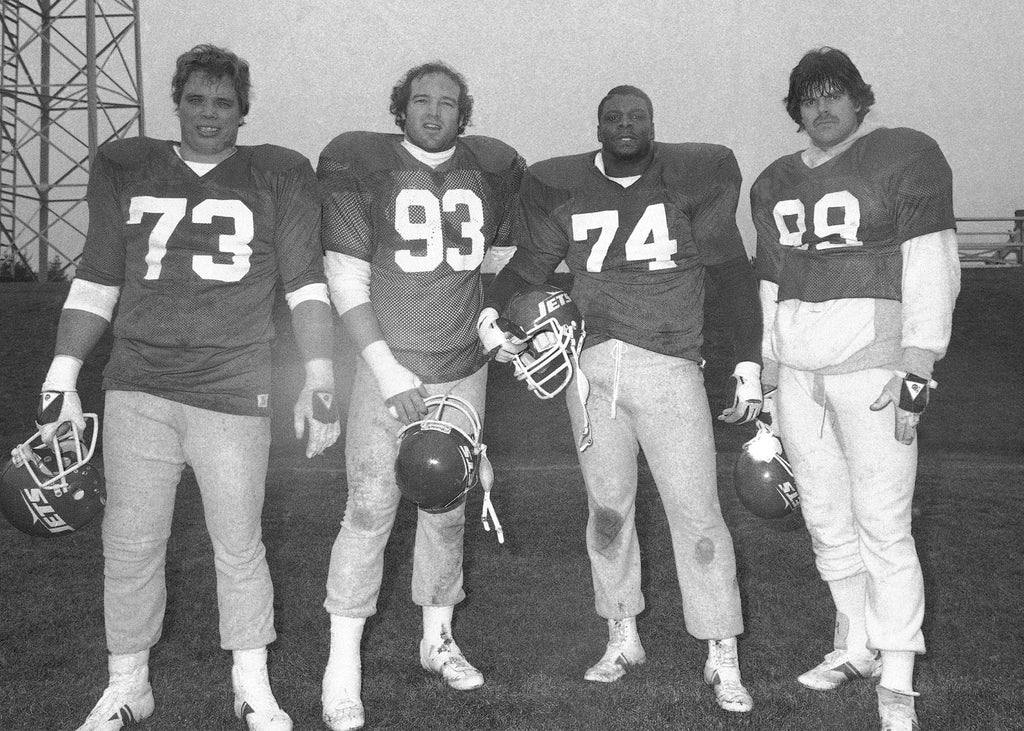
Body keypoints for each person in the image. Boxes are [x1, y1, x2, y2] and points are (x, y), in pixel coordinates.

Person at [29, 44, 341, 731]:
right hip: (139, 384)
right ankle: (127, 685)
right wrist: (62, 374)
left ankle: (252, 684)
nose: (209, 113)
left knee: (240, 544)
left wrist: (319, 376)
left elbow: (305, 285)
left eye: (223, 103)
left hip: (233, 388)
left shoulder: (277, 174)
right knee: (129, 543)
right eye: (196, 99)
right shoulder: (129, 167)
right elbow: (98, 277)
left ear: (243, 110)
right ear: (177, 102)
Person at [483, 85, 762, 713]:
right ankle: (621, 633)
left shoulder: (689, 180)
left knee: (697, 513)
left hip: (670, 366)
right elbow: (527, 268)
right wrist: (491, 313)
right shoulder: (565, 188)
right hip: (589, 369)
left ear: (653, 124)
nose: (626, 125)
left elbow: (730, 274)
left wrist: (747, 361)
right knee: (607, 511)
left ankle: (721, 649)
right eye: (614, 117)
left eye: (637, 116)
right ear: (598, 126)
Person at [750, 47, 959, 731]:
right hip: (800, 373)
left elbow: (931, 262)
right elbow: (772, 284)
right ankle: (856, 644)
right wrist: (769, 371)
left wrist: (917, 368)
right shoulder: (775, 180)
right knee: (825, 518)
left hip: (875, 369)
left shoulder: (904, 155)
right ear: (795, 109)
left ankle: (897, 678)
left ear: (859, 99)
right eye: (808, 97)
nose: (822, 107)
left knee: (884, 526)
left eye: (834, 93)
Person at [317, 62, 525, 731]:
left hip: (462, 367)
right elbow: (345, 280)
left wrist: (497, 323)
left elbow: (500, 269)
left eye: (447, 103)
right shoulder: (364, 166)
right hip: (391, 367)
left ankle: (437, 639)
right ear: (400, 109)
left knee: (447, 508)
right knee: (369, 508)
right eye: (421, 101)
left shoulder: (489, 169)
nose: (434, 112)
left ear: (463, 113)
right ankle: (342, 665)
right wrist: (387, 371)